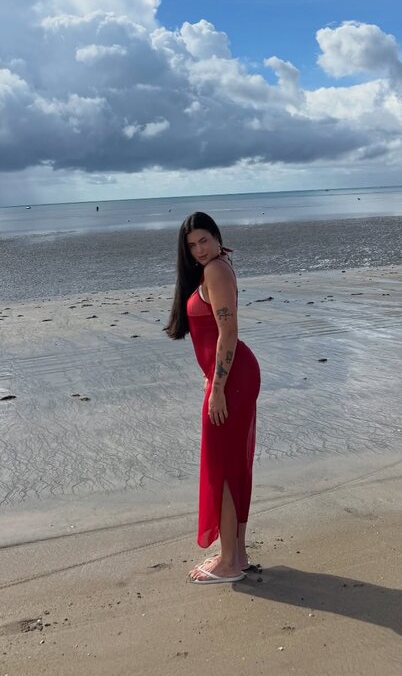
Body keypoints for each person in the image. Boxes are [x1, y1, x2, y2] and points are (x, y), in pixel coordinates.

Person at [165, 212, 261, 584]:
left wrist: (217, 387)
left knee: (222, 469)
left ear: (217, 237)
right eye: (192, 245)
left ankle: (229, 561)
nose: (199, 249)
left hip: (231, 379)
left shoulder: (216, 270)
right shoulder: (216, 268)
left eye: (204, 240)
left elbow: (228, 331)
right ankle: (236, 554)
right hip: (231, 376)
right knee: (232, 465)